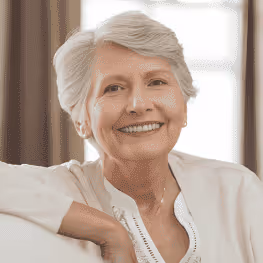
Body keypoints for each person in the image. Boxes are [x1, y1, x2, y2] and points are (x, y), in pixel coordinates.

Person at [0, 10, 262, 263]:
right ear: (82, 120)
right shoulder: (63, 189)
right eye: (113, 88)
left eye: (156, 82)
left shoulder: (237, 191)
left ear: (183, 106)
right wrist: (107, 230)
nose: (139, 104)